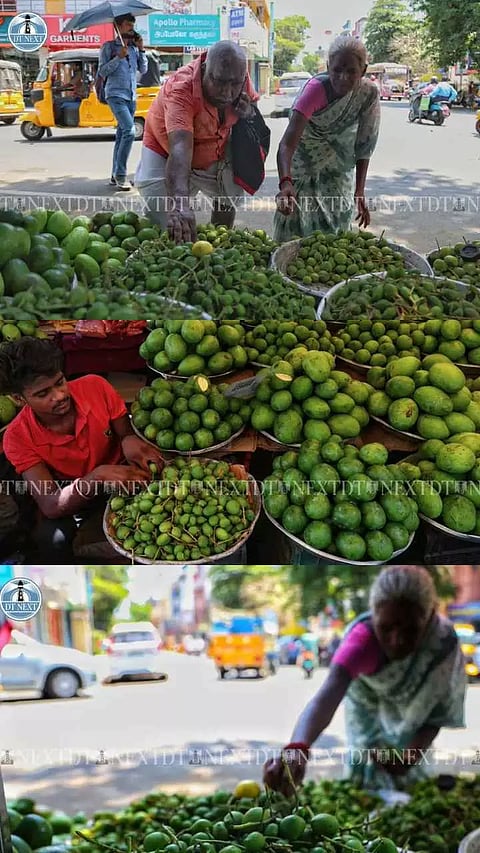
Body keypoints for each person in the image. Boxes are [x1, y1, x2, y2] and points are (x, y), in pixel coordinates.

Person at [263, 566, 466, 794]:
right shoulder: (362, 641)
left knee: (413, 792)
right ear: (373, 615)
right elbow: (327, 696)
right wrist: (297, 748)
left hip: (414, 734)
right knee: (362, 788)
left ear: (430, 617)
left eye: (410, 630)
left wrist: (410, 757)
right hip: (366, 725)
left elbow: (436, 712)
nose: (396, 640)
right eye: (386, 628)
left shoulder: (443, 645)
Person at [0, 337, 164, 562]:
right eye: (42, 393)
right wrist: (97, 477)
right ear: (19, 398)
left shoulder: (95, 387)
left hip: (124, 475)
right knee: (52, 540)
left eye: (59, 382)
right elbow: (51, 504)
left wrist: (128, 439)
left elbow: (124, 432)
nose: (59, 395)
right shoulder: (17, 438)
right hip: (76, 495)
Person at [135, 40, 259, 243]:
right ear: (204, 69)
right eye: (219, 82)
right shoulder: (181, 89)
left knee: (227, 197)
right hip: (165, 147)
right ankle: (166, 251)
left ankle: (220, 242)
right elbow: (180, 148)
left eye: (234, 84)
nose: (227, 92)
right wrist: (180, 203)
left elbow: (252, 115)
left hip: (214, 145)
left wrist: (248, 112)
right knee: (161, 214)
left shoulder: (240, 78)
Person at [275, 36, 380, 241]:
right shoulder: (314, 90)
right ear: (328, 66)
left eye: (351, 71)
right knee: (295, 221)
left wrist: (359, 191)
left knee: (335, 227)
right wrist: (286, 182)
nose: (343, 78)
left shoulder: (368, 94)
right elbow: (287, 144)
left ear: (364, 70)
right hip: (304, 162)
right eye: (337, 70)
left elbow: (364, 145)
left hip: (339, 169)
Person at [98, 14, 147, 191]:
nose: (131, 28)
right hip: (115, 95)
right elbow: (102, 71)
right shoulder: (109, 47)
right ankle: (121, 175)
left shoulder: (133, 48)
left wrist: (141, 50)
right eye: (127, 25)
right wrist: (118, 57)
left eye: (132, 25)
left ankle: (114, 175)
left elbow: (143, 69)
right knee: (129, 130)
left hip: (131, 96)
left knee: (121, 135)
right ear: (117, 26)